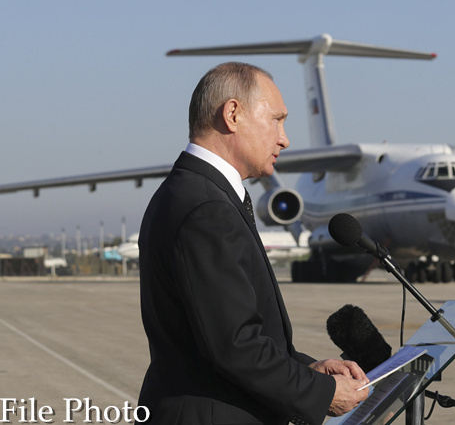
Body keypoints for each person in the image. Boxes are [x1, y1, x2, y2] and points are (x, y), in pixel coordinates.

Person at [138, 63, 368, 425]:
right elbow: (235, 345)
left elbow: (226, 336)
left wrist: (308, 370)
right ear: (232, 115)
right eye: (276, 120)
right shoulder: (207, 208)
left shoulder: (191, 192)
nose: (284, 139)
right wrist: (322, 393)